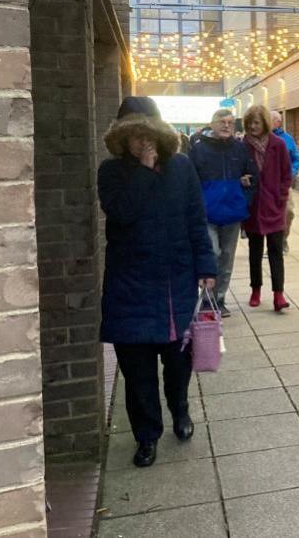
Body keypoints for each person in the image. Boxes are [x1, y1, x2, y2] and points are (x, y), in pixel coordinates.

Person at [97, 97, 217, 468]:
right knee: (138, 374)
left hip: (175, 285)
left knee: (178, 365)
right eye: (133, 136)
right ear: (122, 139)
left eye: (146, 135)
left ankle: (180, 411)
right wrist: (144, 173)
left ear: (160, 134)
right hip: (129, 287)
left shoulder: (181, 167)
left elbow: (197, 220)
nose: (141, 143)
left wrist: (206, 267)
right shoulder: (112, 172)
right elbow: (121, 213)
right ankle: (146, 436)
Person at [189, 109, 258, 318]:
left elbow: (252, 177)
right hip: (207, 213)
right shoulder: (198, 150)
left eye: (230, 122)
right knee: (213, 253)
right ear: (212, 124)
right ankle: (207, 297)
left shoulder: (239, 149)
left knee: (227, 257)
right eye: (222, 122)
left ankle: (219, 299)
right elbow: (190, 181)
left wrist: (242, 196)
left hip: (232, 212)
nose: (227, 125)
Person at [241, 105, 292, 311]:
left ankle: (278, 294)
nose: (253, 127)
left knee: (275, 252)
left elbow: (286, 174)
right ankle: (256, 290)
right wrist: (241, 180)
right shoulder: (243, 145)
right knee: (254, 251)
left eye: (257, 123)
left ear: (264, 123)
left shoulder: (278, 144)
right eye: (250, 123)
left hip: (274, 207)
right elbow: (238, 171)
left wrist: (280, 198)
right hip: (253, 207)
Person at [271, 110, 299, 254]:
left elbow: (296, 158)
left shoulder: (287, 139)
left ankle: (283, 240)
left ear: (278, 122)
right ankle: (271, 244)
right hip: (265, 184)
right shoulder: (261, 138)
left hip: (283, 183)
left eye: (273, 120)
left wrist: (292, 173)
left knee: (288, 212)